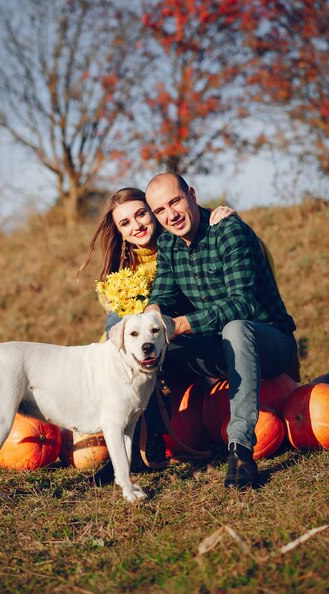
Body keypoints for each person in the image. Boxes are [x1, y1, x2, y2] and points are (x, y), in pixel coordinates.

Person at [144, 172, 298, 489]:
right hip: (217, 351)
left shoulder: (228, 230)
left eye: (174, 202)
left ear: (191, 194)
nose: (170, 215)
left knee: (236, 327)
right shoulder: (169, 245)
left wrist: (183, 324)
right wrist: (152, 318)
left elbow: (242, 304)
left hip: (266, 344)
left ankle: (240, 451)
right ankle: (149, 440)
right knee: (150, 345)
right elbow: (162, 295)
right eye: (160, 210)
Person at [78, 186, 236, 471]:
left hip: (192, 339)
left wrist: (222, 215)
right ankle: (135, 442)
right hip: (148, 355)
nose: (136, 225)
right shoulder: (119, 271)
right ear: (119, 231)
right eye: (125, 222)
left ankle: (144, 439)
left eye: (141, 214)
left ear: (155, 211)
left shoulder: (178, 242)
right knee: (117, 325)